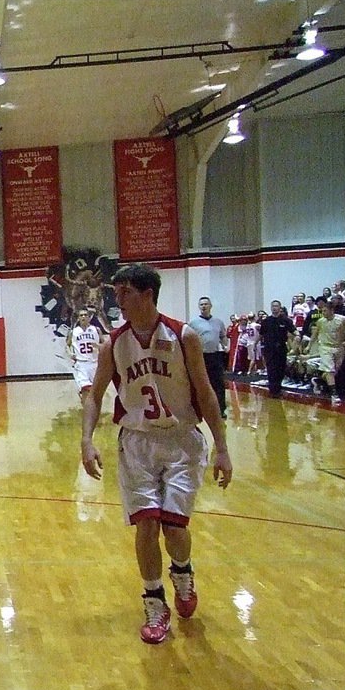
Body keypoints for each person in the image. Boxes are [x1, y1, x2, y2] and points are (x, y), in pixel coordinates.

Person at [81, 264, 231, 645]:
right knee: (147, 524)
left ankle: (182, 573)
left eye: (125, 292)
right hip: (137, 443)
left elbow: (207, 394)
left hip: (181, 440)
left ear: (148, 294)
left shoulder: (185, 337)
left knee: (174, 527)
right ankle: (154, 601)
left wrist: (223, 449)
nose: (119, 300)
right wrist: (87, 440)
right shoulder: (113, 343)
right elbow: (95, 396)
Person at [306, 297, 345, 403]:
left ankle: (319, 380)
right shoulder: (320, 321)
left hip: (339, 347)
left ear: (331, 310)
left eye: (324, 311)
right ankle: (334, 394)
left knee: (333, 371)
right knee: (329, 370)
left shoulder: (342, 319)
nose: (322, 312)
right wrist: (309, 346)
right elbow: (315, 334)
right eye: (322, 311)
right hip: (325, 347)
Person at [187, 296, 229, 418]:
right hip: (201, 357)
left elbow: (223, 336)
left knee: (219, 383)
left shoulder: (218, 322)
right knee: (199, 383)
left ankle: (220, 409)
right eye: (201, 305)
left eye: (206, 304)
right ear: (199, 307)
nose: (204, 306)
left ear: (210, 306)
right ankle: (197, 409)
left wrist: (226, 346)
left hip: (215, 356)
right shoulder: (193, 323)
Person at [65, 308, 102, 408]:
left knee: (95, 392)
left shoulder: (96, 330)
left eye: (85, 315)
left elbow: (104, 345)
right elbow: (67, 346)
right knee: (86, 389)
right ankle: (87, 412)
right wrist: (70, 354)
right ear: (78, 318)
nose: (83, 317)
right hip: (81, 364)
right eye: (81, 315)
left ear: (89, 318)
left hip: (94, 363)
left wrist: (98, 346)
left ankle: (94, 410)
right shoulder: (74, 332)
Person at [259, 300, 294, 398]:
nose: (274, 308)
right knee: (271, 369)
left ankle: (278, 387)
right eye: (273, 306)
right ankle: (273, 390)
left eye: (276, 306)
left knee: (281, 369)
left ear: (280, 307)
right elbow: (261, 334)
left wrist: (298, 335)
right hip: (269, 348)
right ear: (271, 308)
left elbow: (293, 330)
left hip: (281, 348)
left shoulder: (285, 320)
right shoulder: (266, 321)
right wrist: (255, 344)